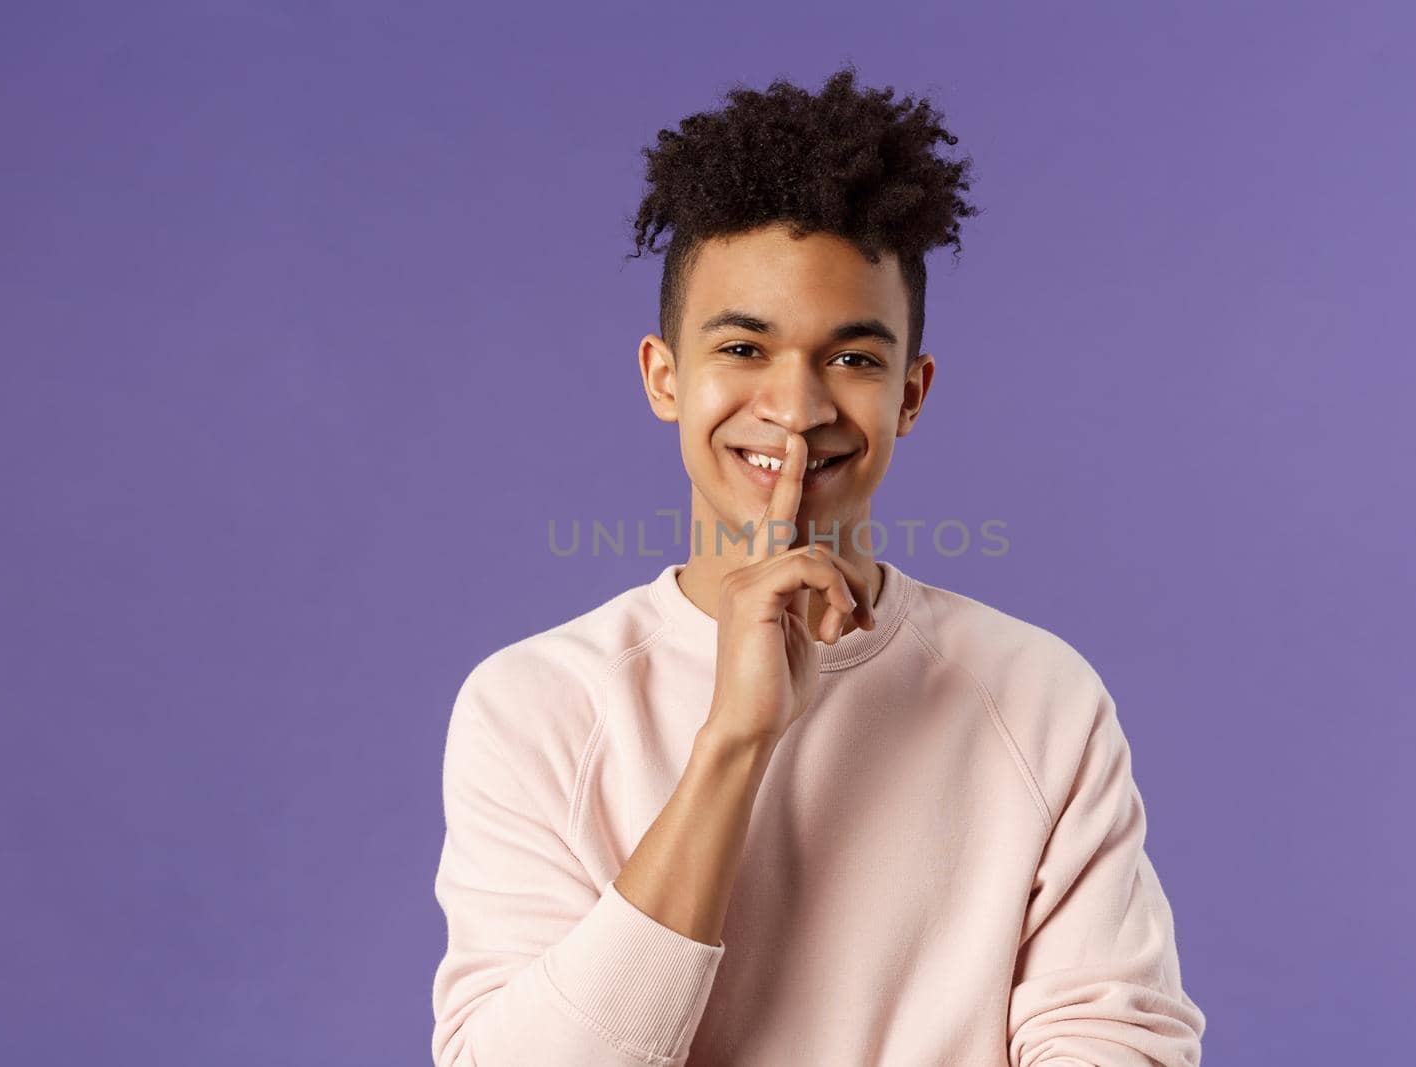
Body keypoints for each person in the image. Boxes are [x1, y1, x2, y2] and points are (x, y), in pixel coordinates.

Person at [430, 64, 1205, 1067]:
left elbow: (1118, 1044)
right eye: (744, 348)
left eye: (852, 358)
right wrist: (733, 742)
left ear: (911, 395)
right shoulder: (535, 704)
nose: (796, 408)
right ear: (665, 378)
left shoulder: (1038, 694)